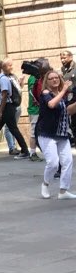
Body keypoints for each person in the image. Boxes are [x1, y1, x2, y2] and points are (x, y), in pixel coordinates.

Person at [34, 69, 76, 199]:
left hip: (62, 134)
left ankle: (63, 191)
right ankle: (45, 184)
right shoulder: (46, 93)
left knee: (68, 161)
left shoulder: (62, 96)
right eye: (51, 78)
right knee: (53, 163)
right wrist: (63, 90)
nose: (55, 80)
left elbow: (68, 111)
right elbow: (51, 104)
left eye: (56, 77)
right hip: (47, 133)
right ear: (47, 81)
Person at [0, 59, 30, 159]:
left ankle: (25, 150)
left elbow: (5, 96)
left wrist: (0, 112)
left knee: (12, 129)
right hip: (3, 107)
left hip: (6, 107)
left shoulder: (3, 79)